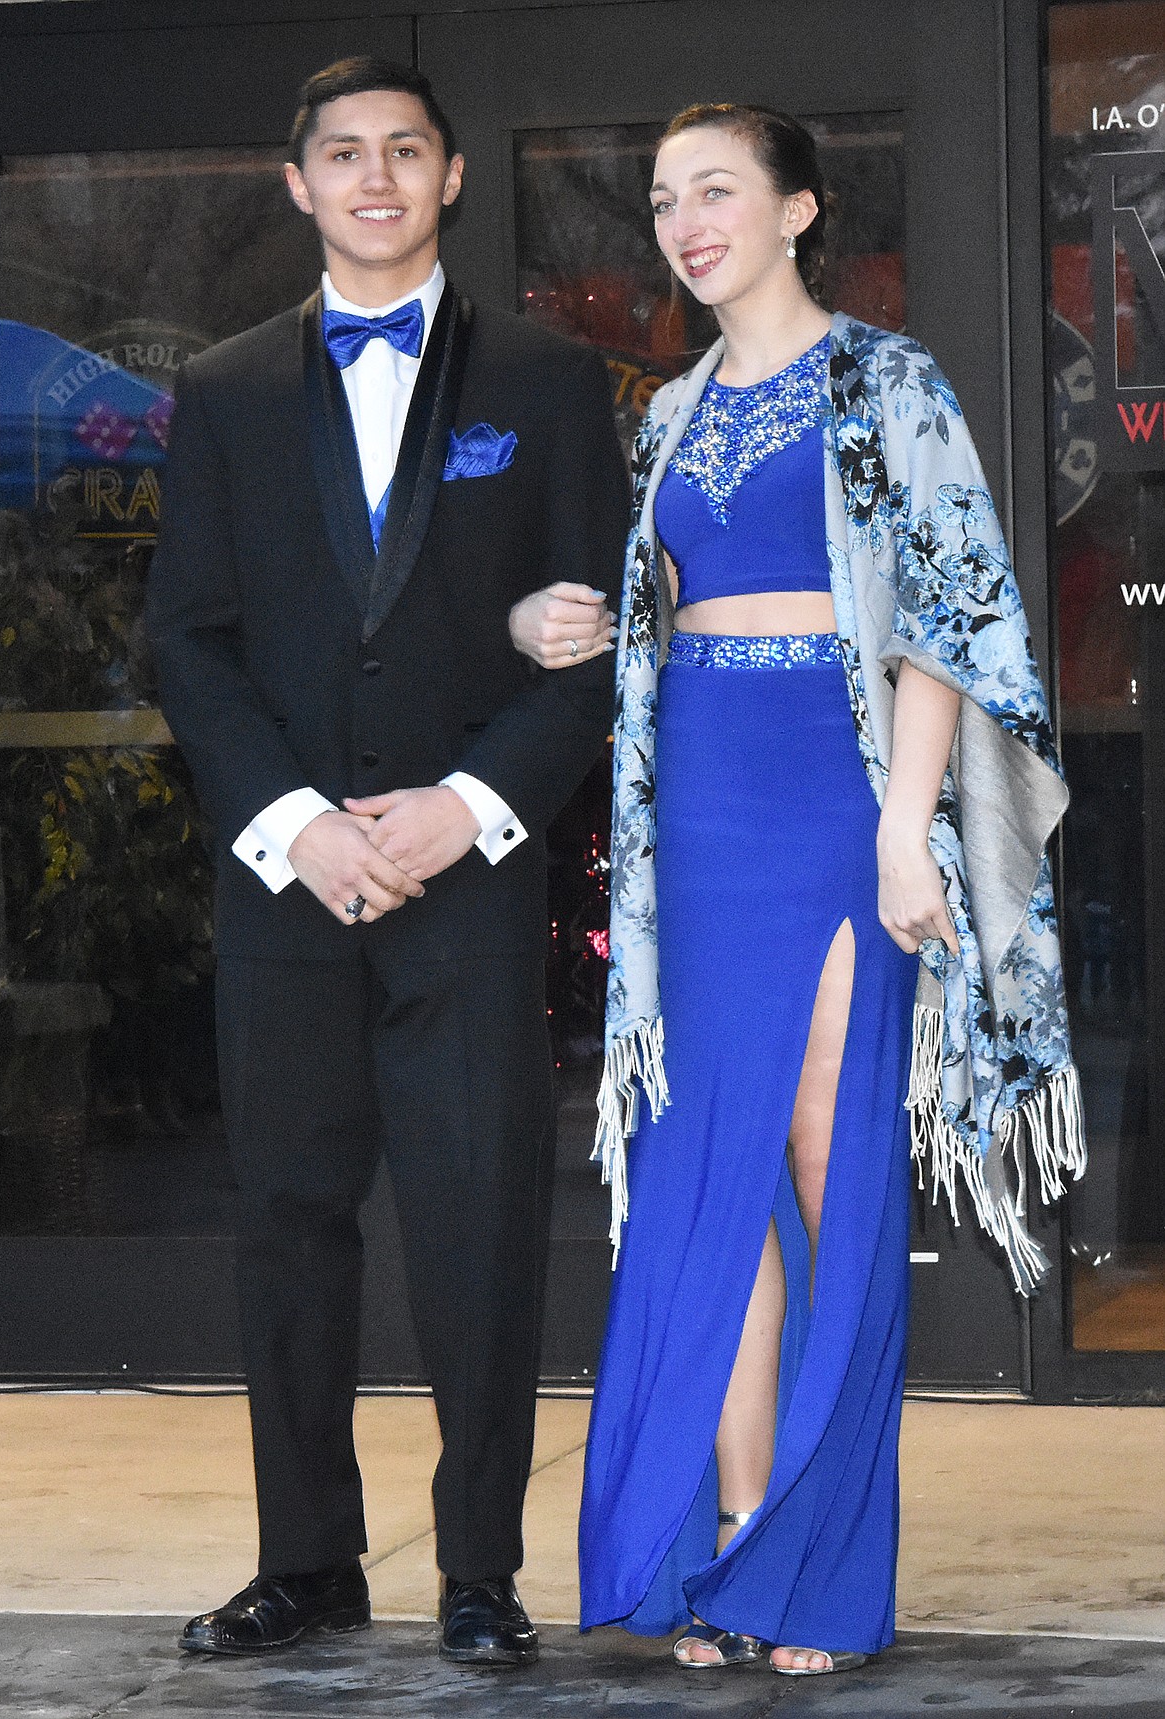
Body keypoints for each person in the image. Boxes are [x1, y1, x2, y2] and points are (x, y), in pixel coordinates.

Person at [512, 105, 1084, 1676]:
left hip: (834, 806)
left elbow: (946, 623)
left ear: (796, 210)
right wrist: (565, 628)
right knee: (711, 1180)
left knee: (832, 1158)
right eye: (660, 200)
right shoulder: (672, 409)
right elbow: (660, 619)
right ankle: (731, 1547)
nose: (683, 222)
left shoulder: (887, 382)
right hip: (694, 812)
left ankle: (814, 1571)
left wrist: (907, 827)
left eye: (715, 192)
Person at [145, 55, 627, 1668]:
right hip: (285, 888)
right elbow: (190, 645)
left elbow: (589, 649)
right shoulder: (213, 393)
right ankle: (308, 1563)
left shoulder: (553, 384)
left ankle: (479, 1569)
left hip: (468, 886)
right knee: (289, 1220)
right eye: (341, 154)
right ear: (296, 185)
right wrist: (294, 826)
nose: (373, 177)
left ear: (449, 179)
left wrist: (463, 807)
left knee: (480, 1225)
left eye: (403, 151)